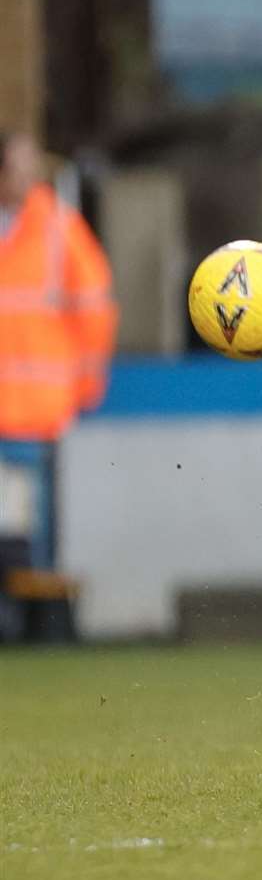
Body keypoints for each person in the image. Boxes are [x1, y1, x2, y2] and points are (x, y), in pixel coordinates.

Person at [0, 132, 118, 567]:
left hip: (35, 411)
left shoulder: (57, 228)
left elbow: (95, 308)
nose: (29, 176)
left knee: (33, 531)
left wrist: (86, 384)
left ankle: (36, 617)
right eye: (19, 165)